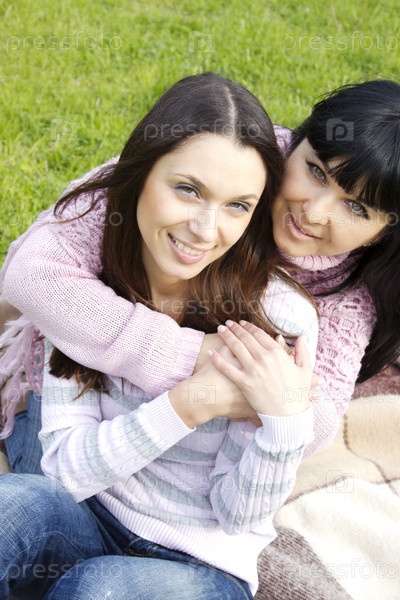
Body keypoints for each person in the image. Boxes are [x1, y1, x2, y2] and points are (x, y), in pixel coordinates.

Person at [0, 72, 318, 600]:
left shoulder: (277, 317)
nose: (206, 229)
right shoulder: (85, 290)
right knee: (11, 508)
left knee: (100, 589)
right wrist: (190, 403)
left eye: (238, 205)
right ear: (140, 174)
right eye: (188, 190)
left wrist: (286, 423)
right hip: (89, 516)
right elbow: (67, 471)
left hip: (200, 565)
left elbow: (237, 515)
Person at [1, 78, 399, 473]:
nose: (313, 212)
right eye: (316, 171)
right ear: (296, 143)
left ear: (384, 231)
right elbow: (33, 274)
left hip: (190, 462)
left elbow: (315, 426)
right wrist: (195, 357)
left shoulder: (350, 297)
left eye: (357, 208)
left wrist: (268, 396)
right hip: (83, 383)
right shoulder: (231, 154)